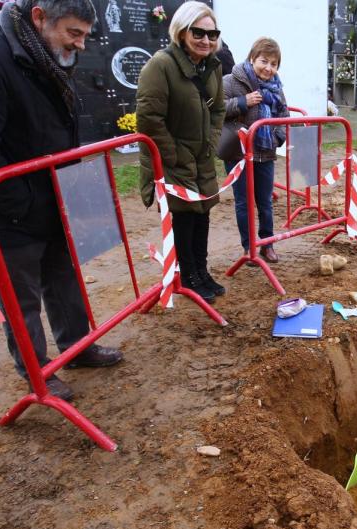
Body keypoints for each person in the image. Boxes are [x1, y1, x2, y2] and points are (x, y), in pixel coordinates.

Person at [0, 0, 123, 402]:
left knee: (63, 277)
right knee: (21, 295)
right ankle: (37, 371)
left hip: (52, 194)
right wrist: (21, 201)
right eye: (73, 33)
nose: (80, 44)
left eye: (85, 35)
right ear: (40, 17)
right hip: (9, 209)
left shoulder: (43, 53)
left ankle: (78, 347)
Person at [136, 1, 225, 303]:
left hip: (202, 157)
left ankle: (202, 271)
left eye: (212, 34)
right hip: (174, 160)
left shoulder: (212, 66)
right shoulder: (161, 66)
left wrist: (210, 143)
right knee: (184, 217)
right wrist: (173, 155)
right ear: (182, 31)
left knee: (203, 214)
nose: (206, 40)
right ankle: (188, 276)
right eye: (198, 32)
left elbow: (218, 109)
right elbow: (149, 119)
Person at [218, 36, 288, 265]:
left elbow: (284, 115)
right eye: (264, 61)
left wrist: (277, 138)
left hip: (265, 153)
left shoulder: (277, 88)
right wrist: (242, 102)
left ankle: (267, 244)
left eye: (273, 64)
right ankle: (249, 248)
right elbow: (216, 109)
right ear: (252, 58)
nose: (268, 68)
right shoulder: (231, 81)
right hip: (238, 153)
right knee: (243, 202)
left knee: (265, 202)